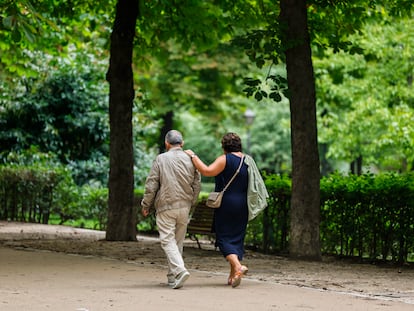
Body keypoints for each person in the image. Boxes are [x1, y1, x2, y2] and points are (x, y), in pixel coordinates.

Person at [185, 132, 267, 288]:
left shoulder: (225, 159)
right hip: (243, 204)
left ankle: (238, 267)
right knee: (236, 237)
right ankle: (233, 275)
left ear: (224, 146)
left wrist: (193, 156)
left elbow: (208, 171)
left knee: (223, 239)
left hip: (227, 204)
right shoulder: (247, 160)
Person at [141, 130, 201, 289]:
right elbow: (197, 184)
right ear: (182, 143)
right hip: (184, 206)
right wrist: (191, 202)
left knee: (167, 240)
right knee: (177, 242)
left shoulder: (161, 159)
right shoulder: (190, 159)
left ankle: (180, 271)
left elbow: (151, 185)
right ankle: (172, 277)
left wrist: (146, 205)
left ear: (167, 143)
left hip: (166, 206)